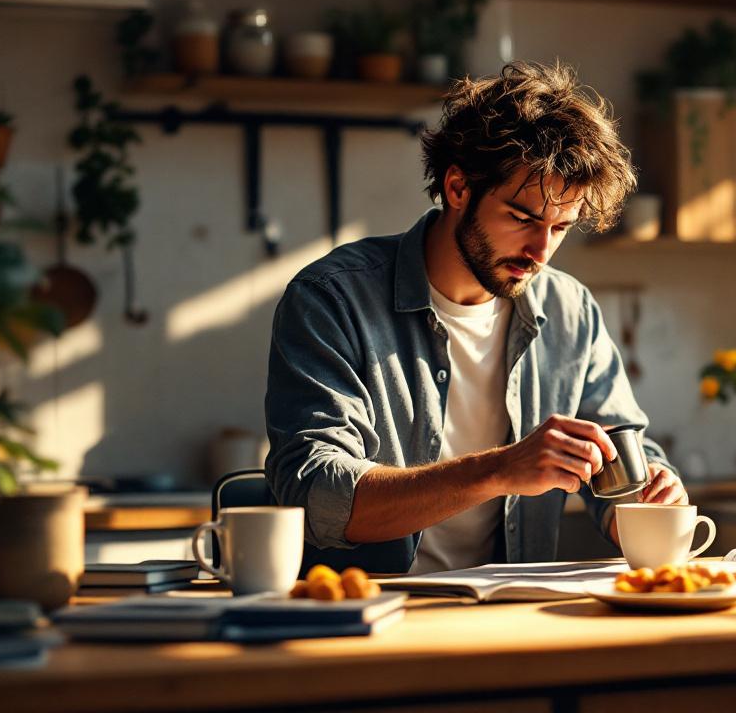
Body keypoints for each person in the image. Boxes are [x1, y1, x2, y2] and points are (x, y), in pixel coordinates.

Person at [264, 61, 687, 574]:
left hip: (504, 621)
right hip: (370, 617)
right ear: (458, 188)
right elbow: (317, 496)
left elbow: (620, 471)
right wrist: (501, 468)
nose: (540, 251)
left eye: (561, 228)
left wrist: (647, 500)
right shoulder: (332, 299)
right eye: (521, 218)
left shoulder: (570, 311)